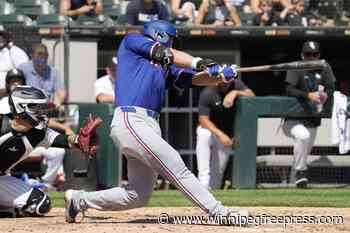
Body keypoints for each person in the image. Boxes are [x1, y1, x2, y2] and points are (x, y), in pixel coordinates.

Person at [64, 20, 249, 224]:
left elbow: (195, 78)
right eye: (171, 39)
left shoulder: (165, 68)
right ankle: (220, 212)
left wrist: (221, 77)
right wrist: (199, 62)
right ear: (160, 35)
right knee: (175, 163)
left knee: (137, 195)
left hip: (149, 125)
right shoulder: (133, 41)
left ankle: (78, 200)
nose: (173, 44)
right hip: (131, 119)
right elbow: (169, 54)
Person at [0, 85, 101, 217]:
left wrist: (81, 140)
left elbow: (65, 140)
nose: (42, 112)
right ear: (21, 107)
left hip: (2, 179)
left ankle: (8, 209)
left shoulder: (39, 133)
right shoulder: (2, 124)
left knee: (41, 204)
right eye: (36, 107)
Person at [282, 41, 336, 188]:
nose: (312, 57)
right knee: (302, 136)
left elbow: (331, 88)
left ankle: (294, 186)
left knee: (303, 154)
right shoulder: (296, 67)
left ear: (319, 55)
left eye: (314, 54)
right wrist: (308, 95)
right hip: (292, 120)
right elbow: (289, 90)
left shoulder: (324, 67)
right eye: (308, 55)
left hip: (312, 120)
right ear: (302, 55)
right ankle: (300, 172)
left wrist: (326, 94)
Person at [18, 43, 71, 190]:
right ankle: (20, 180)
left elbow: (61, 92)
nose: (41, 59)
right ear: (32, 56)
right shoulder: (23, 69)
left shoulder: (53, 71)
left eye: (44, 56)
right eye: (38, 56)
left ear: (47, 57)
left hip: (45, 115)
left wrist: (57, 103)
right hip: (25, 118)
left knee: (58, 150)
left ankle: (46, 184)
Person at [196, 81, 255, 189]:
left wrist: (235, 93)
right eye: (222, 81)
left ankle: (213, 192)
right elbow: (203, 120)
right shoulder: (208, 92)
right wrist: (220, 134)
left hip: (227, 135)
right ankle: (203, 184)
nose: (225, 84)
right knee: (203, 134)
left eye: (228, 82)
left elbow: (252, 95)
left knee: (218, 171)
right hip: (212, 131)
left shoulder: (235, 85)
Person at [0, 28, 29, 98]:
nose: (0, 38)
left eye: (2, 35)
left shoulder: (17, 52)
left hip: (11, 95)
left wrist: (7, 90)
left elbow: (24, 77)